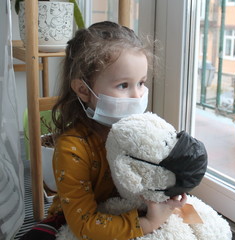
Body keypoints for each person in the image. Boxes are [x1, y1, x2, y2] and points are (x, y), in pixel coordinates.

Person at [20, 21, 187, 240]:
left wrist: (170, 191)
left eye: (141, 83)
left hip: (129, 209)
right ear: (83, 89)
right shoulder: (72, 147)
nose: (138, 96)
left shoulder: (143, 134)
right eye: (123, 86)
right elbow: (84, 226)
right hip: (76, 221)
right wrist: (149, 222)